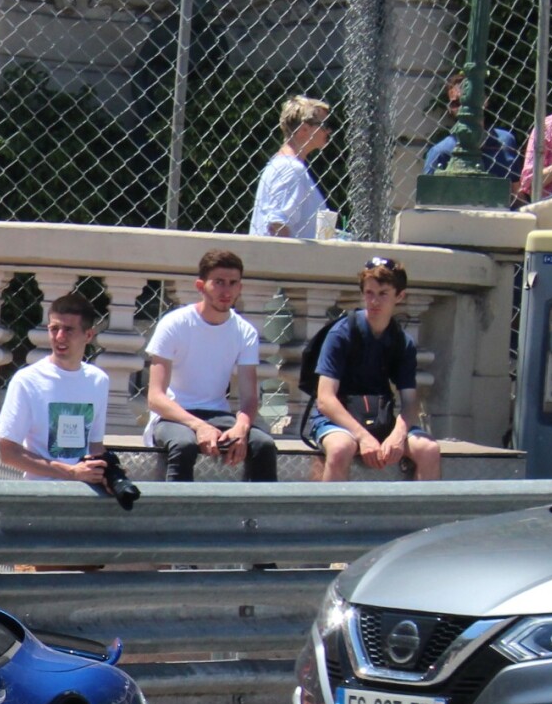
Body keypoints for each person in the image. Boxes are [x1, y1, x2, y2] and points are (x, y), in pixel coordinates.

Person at [144, 249, 277, 480]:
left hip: (218, 414)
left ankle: (258, 515)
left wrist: (241, 428)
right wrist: (198, 426)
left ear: (240, 288)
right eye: (218, 283)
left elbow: (249, 398)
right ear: (200, 286)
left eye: (233, 283)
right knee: (184, 446)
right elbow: (155, 398)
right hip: (173, 417)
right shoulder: (174, 324)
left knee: (263, 445)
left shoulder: (244, 331)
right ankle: (174, 513)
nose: (226, 291)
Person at [308, 256, 442, 483]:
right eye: (369, 293)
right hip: (336, 421)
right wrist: (363, 437)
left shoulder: (402, 341)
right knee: (341, 449)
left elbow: (410, 401)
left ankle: (421, 517)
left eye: (383, 294)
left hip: (379, 419)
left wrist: (398, 435)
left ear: (399, 296)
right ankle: (330, 518)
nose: (374, 301)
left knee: (429, 449)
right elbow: (325, 399)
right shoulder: (341, 334)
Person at [0, 292, 113, 490]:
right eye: (54, 329)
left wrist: (105, 471)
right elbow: (7, 452)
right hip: (41, 491)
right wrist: (69, 472)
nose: (59, 337)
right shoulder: (27, 380)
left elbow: (94, 445)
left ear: (88, 335)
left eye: (68, 330)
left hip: (84, 491)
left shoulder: (98, 380)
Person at [249, 97, 332, 240]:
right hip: (286, 261)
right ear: (304, 129)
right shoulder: (290, 168)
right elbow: (277, 227)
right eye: (323, 125)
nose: (329, 130)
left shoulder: (284, 165)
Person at [422, 75, 524, 184]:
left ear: (485, 101)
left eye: (469, 101)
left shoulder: (506, 141)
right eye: (456, 103)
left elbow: (516, 190)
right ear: (450, 109)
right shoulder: (440, 152)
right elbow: (428, 197)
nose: (463, 108)